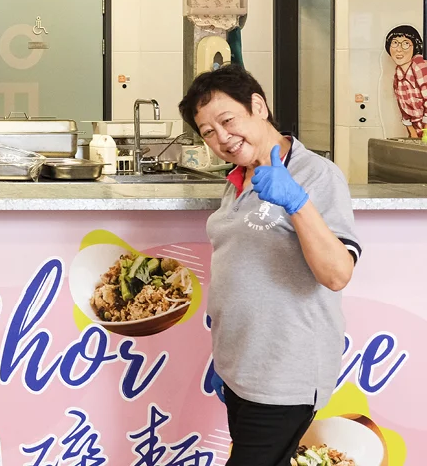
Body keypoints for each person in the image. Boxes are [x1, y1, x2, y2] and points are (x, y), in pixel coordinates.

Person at [178, 65, 360, 466]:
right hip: (242, 368)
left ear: (258, 106)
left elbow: (337, 274)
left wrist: (296, 201)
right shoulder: (239, 178)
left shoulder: (316, 175)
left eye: (228, 120)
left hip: (285, 374)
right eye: (208, 131)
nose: (222, 137)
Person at [385, 24, 427, 138]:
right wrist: (413, 134)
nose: (399, 49)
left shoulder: (420, 65)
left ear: (415, 46)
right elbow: (404, 109)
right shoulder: (398, 75)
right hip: (418, 133)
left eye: (406, 44)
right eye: (394, 43)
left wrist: (425, 134)